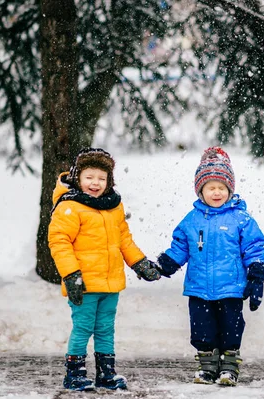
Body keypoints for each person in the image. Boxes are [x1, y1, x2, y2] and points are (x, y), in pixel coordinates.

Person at [48, 147, 161, 391]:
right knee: (83, 327)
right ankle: (74, 373)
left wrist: (139, 263)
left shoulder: (113, 206)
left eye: (102, 178)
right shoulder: (70, 206)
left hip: (110, 283)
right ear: (78, 177)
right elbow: (59, 242)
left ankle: (106, 373)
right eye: (89, 177)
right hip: (84, 283)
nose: (95, 183)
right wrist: (71, 275)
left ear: (109, 181)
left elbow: (124, 240)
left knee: (105, 328)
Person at [155, 147, 264, 386]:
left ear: (229, 190)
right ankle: (207, 365)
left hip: (231, 288)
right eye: (210, 188)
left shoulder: (241, 219)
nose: (216, 192)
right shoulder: (191, 220)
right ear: (200, 191)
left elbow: (254, 248)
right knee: (202, 330)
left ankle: (229, 365)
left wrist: (256, 273)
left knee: (231, 328)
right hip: (199, 288)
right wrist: (167, 263)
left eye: (222, 188)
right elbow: (181, 246)